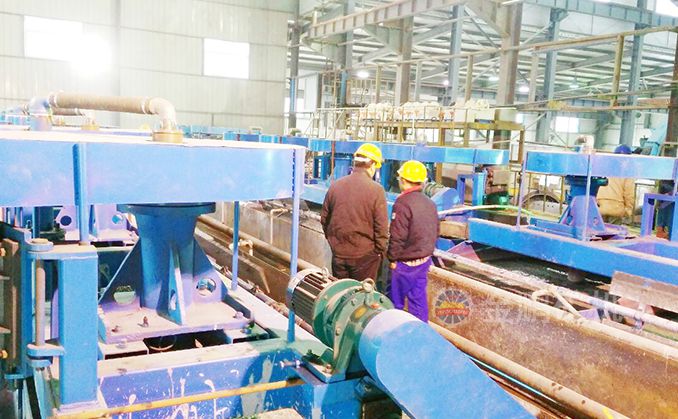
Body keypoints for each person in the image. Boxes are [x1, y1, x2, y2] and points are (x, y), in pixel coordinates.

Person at [320, 143, 388, 281]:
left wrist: (335, 244)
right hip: (365, 257)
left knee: (341, 291)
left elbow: (324, 219)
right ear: (372, 165)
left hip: (339, 255)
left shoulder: (336, 186)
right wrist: (378, 250)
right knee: (362, 293)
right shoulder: (376, 190)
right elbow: (381, 227)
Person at [387, 160, 439, 322]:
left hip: (405, 264)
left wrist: (392, 259)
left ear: (403, 180)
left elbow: (397, 235)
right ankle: (420, 330)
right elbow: (435, 231)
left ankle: (393, 329)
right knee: (418, 302)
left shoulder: (402, 203)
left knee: (395, 302)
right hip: (424, 261)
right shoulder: (430, 203)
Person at [597, 144, 635, 224]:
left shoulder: (604, 168)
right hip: (616, 208)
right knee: (613, 231)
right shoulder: (627, 172)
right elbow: (629, 194)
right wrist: (628, 210)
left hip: (599, 206)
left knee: (597, 230)